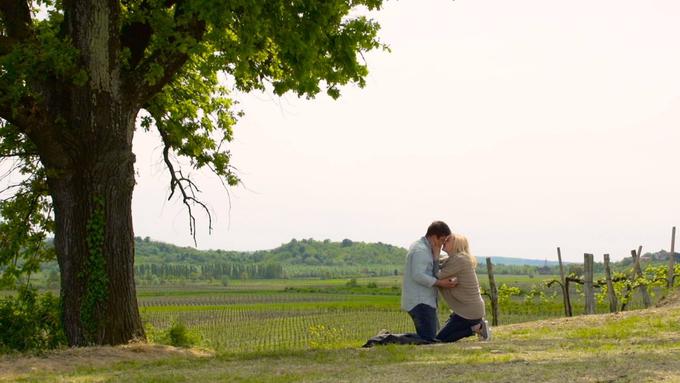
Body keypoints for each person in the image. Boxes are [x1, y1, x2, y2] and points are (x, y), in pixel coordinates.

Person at [400, 221, 457, 342]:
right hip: (420, 302)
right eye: (442, 240)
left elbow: (433, 273)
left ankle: (387, 338)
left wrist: (436, 257)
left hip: (425, 301)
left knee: (431, 337)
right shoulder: (421, 250)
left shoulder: (427, 248)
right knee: (428, 339)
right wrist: (441, 283)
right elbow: (418, 275)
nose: (442, 244)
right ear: (433, 236)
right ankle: (386, 338)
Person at [435, 234, 491, 342]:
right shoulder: (454, 259)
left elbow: (437, 275)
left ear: (456, 244)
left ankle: (476, 328)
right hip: (467, 310)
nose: (444, 241)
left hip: (468, 312)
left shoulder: (460, 259)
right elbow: (439, 263)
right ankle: (476, 326)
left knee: (440, 340)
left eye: (448, 240)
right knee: (441, 337)